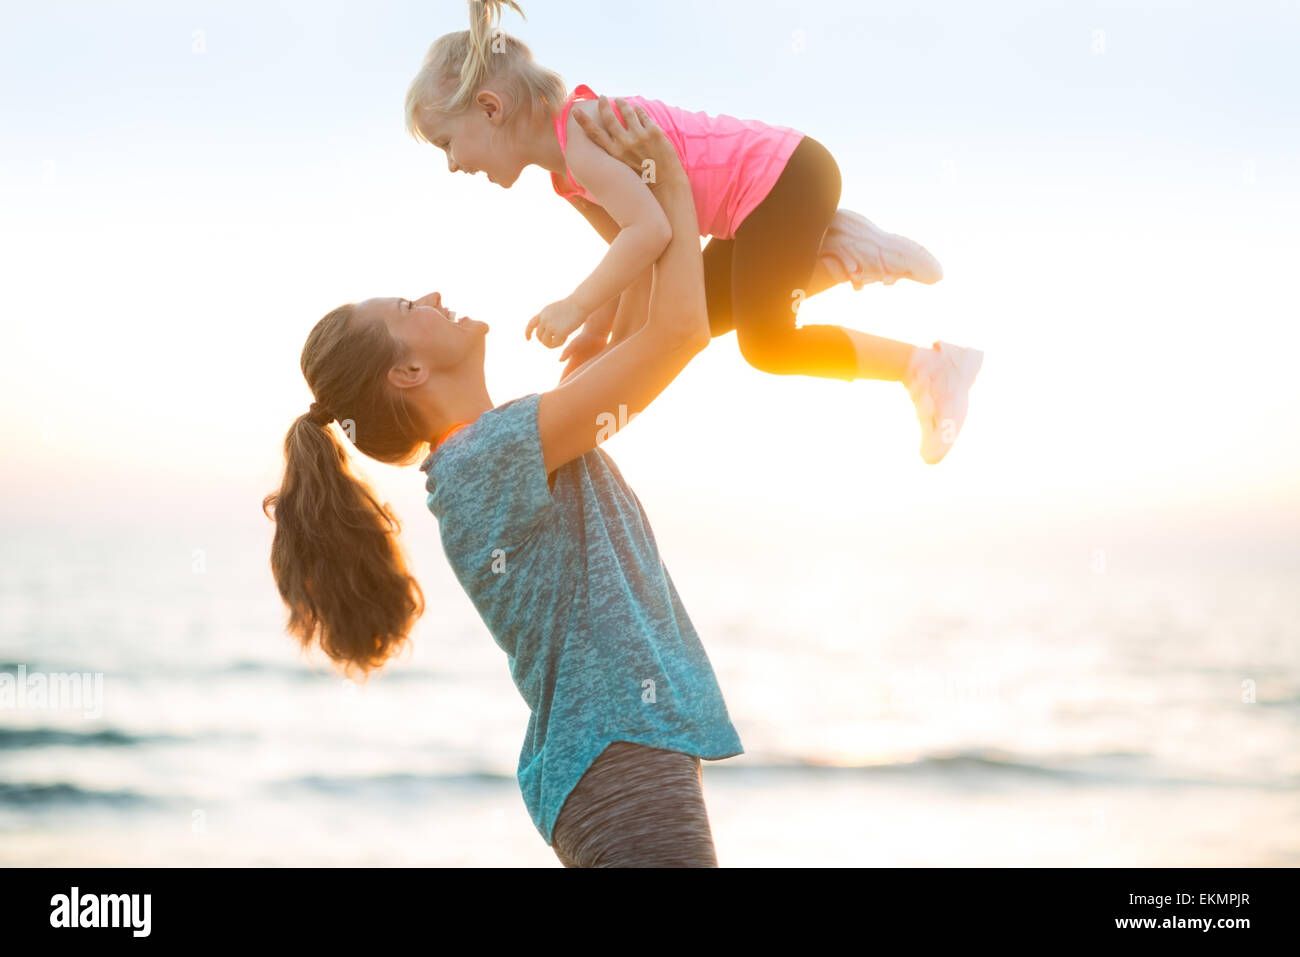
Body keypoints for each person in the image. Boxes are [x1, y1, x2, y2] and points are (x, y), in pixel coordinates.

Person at [264, 97, 741, 866]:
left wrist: (625, 192)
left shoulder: (507, 445)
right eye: (412, 307)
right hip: (617, 755)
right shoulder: (491, 457)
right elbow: (679, 331)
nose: (437, 297)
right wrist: (675, 188)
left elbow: (654, 310)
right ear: (409, 371)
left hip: (617, 757)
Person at [404, 0, 984, 464]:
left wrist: (576, 307)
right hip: (766, 203)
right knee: (691, 314)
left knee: (770, 344)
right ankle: (839, 249)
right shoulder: (567, 172)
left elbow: (652, 231)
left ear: (489, 108)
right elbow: (635, 258)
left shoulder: (582, 134)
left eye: (447, 145)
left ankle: (926, 364)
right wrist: (605, 340)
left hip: (786, 181)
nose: (452, 164)